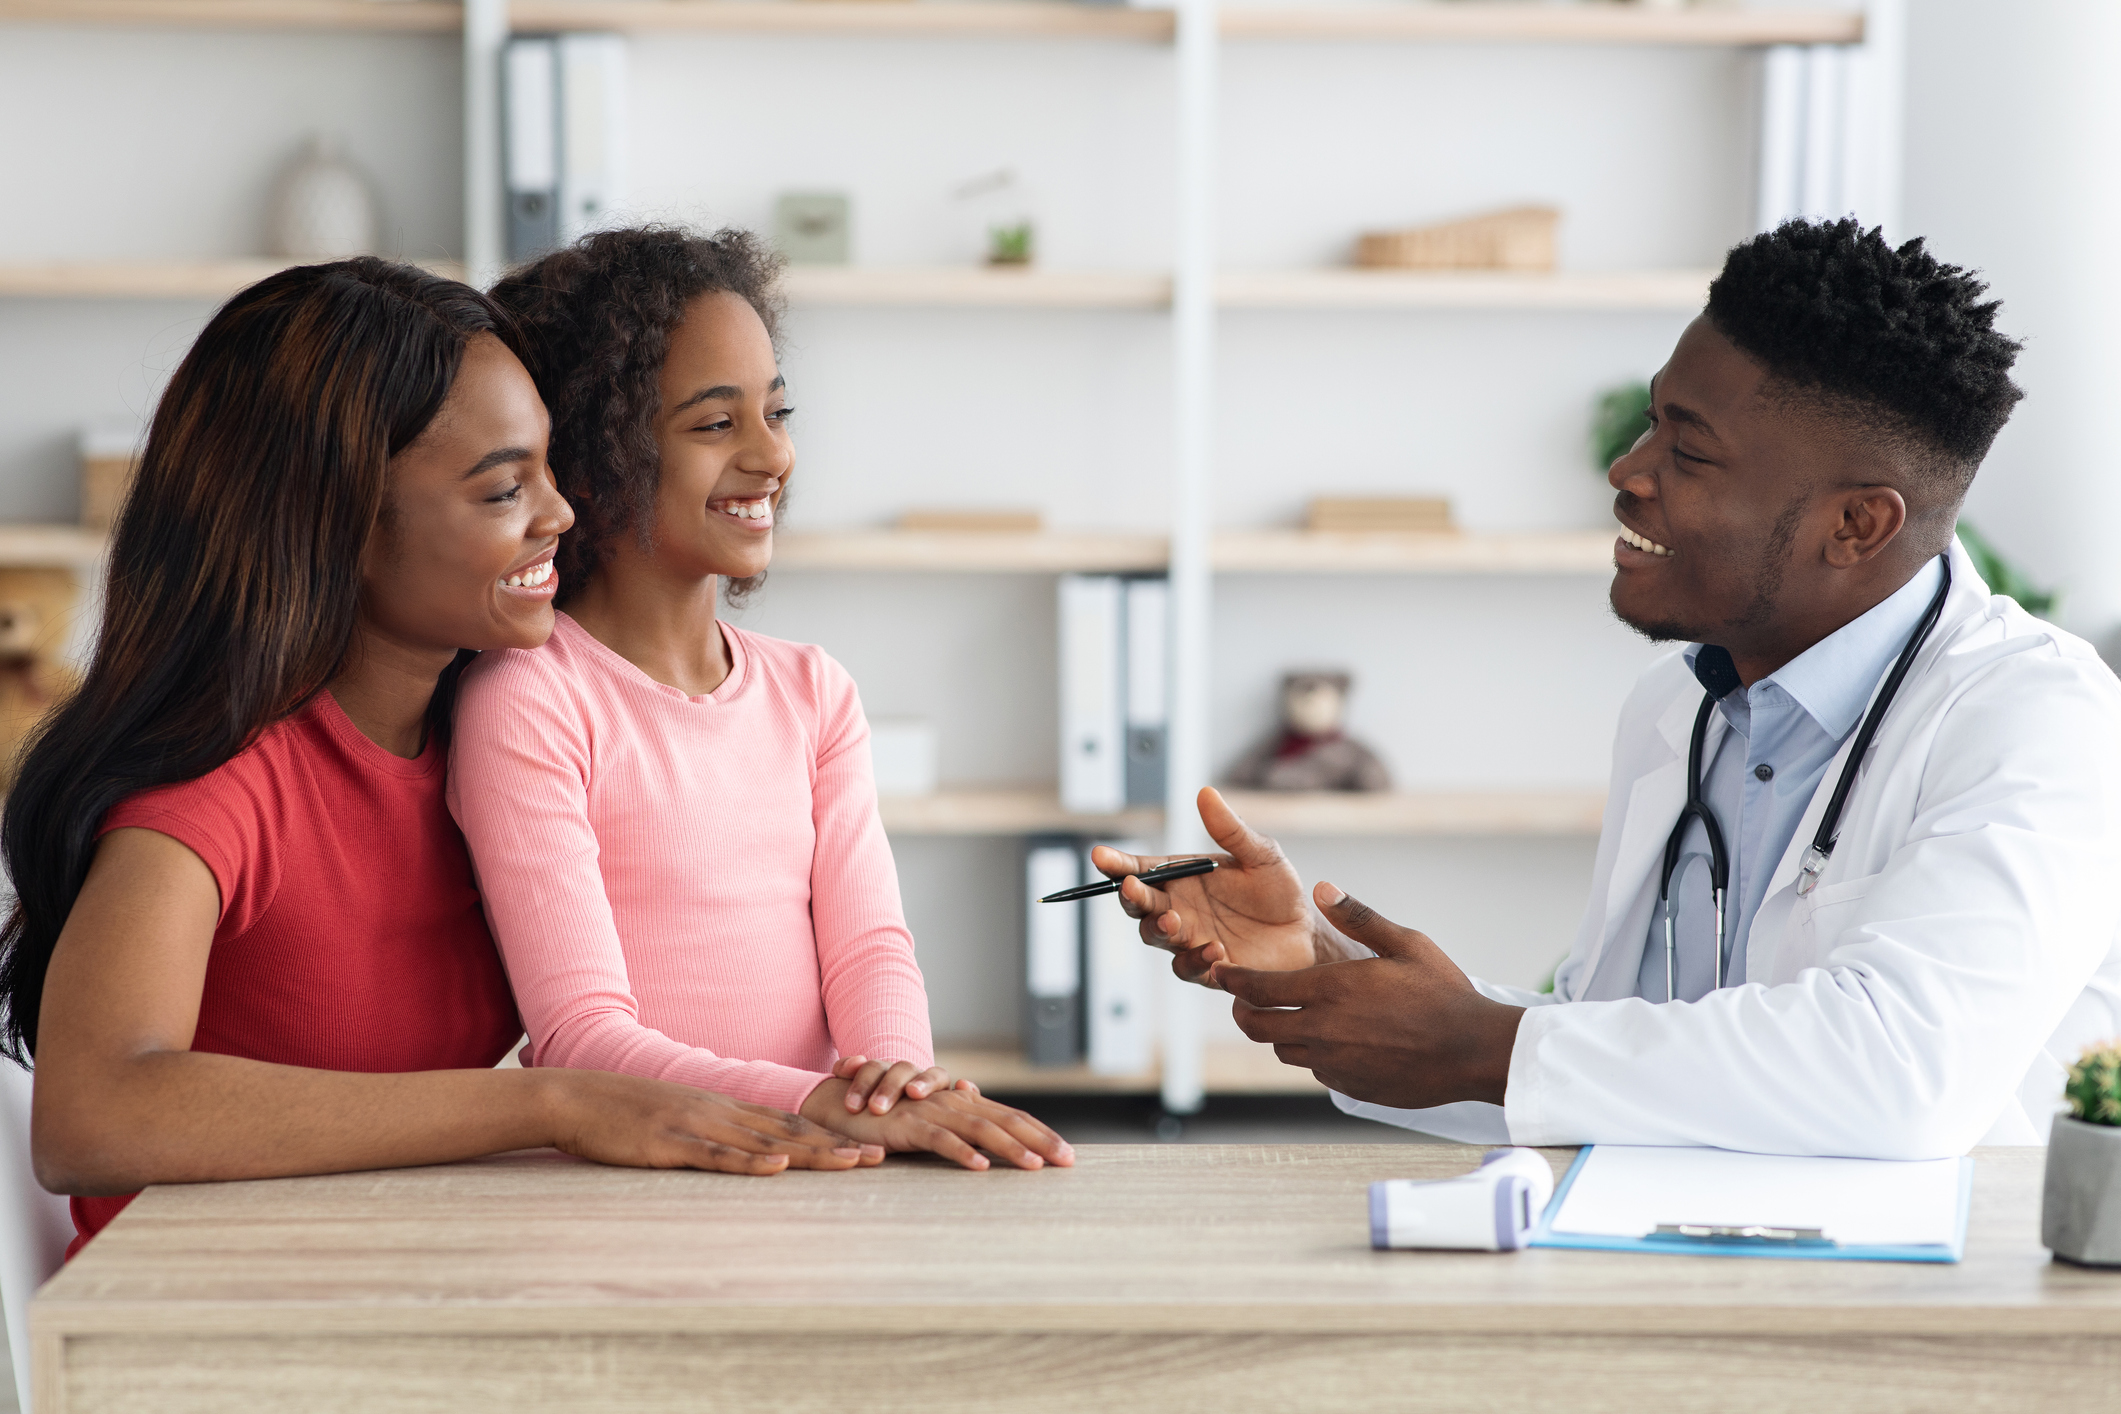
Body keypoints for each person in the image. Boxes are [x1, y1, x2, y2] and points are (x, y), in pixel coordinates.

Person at [1094, 219, 2121, 1160]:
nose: (1629, 471)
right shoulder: (1677, 709)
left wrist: (1484, 1044)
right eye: (1650, 422)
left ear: (1857, 525)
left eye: (1688, 450)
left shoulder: (2037, 722)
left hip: (1945, 1321)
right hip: (1688, 1272)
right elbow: (1616, 1051)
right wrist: (1323, 970)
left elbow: (1900, 1077)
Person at [3, 260, 889, 1256]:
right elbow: (91, 1117)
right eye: (505, 487)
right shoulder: (217, 791)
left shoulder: (482, 749)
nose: (559, 514)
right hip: (203, 1339)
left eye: (551, 469)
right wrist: (545, 1104)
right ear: (340, 525)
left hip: (391, 1289)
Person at [457, 227, 1072, 1173]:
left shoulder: (812, 691)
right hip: (643, 1181)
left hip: (825, 1172)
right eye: (715, 425)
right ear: (592, 457)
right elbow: (580, 1035)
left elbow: (869, 947)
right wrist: (824, 1103)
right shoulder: (531, 700)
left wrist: (899, 1087)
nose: (770, 456)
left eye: (776, 413)